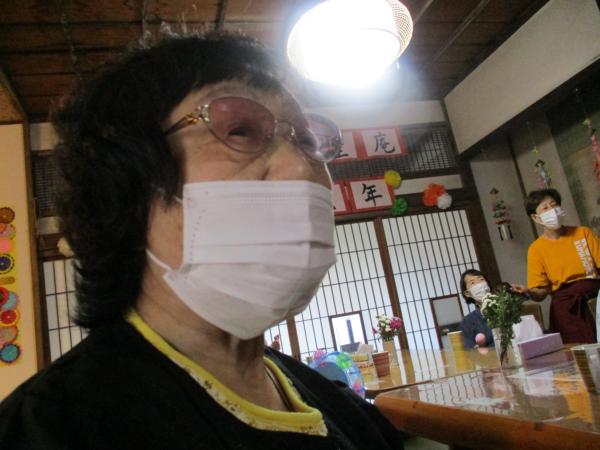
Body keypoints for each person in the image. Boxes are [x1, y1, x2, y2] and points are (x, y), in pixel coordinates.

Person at [0, 32, 403, 449]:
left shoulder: (346, 411)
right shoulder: (51, 429)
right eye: (240, 130)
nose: (300, 167)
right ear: (125, 189)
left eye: (306, 140)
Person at [521, 188, 600, 343]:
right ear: (536, 217)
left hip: (596, 300)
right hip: (566, 310)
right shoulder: (536, 250)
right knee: (578, 352)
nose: (552, 211)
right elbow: (541, 291)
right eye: (545, 208)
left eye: (554, 205)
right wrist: (527, 292)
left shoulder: (583, 233)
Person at [458, 269, 494, 349]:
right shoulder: (467, 322)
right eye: (473, 283)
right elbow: (470, 350)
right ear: (467, 293)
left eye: (481, 279)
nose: (480, 285)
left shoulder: (506, 307)